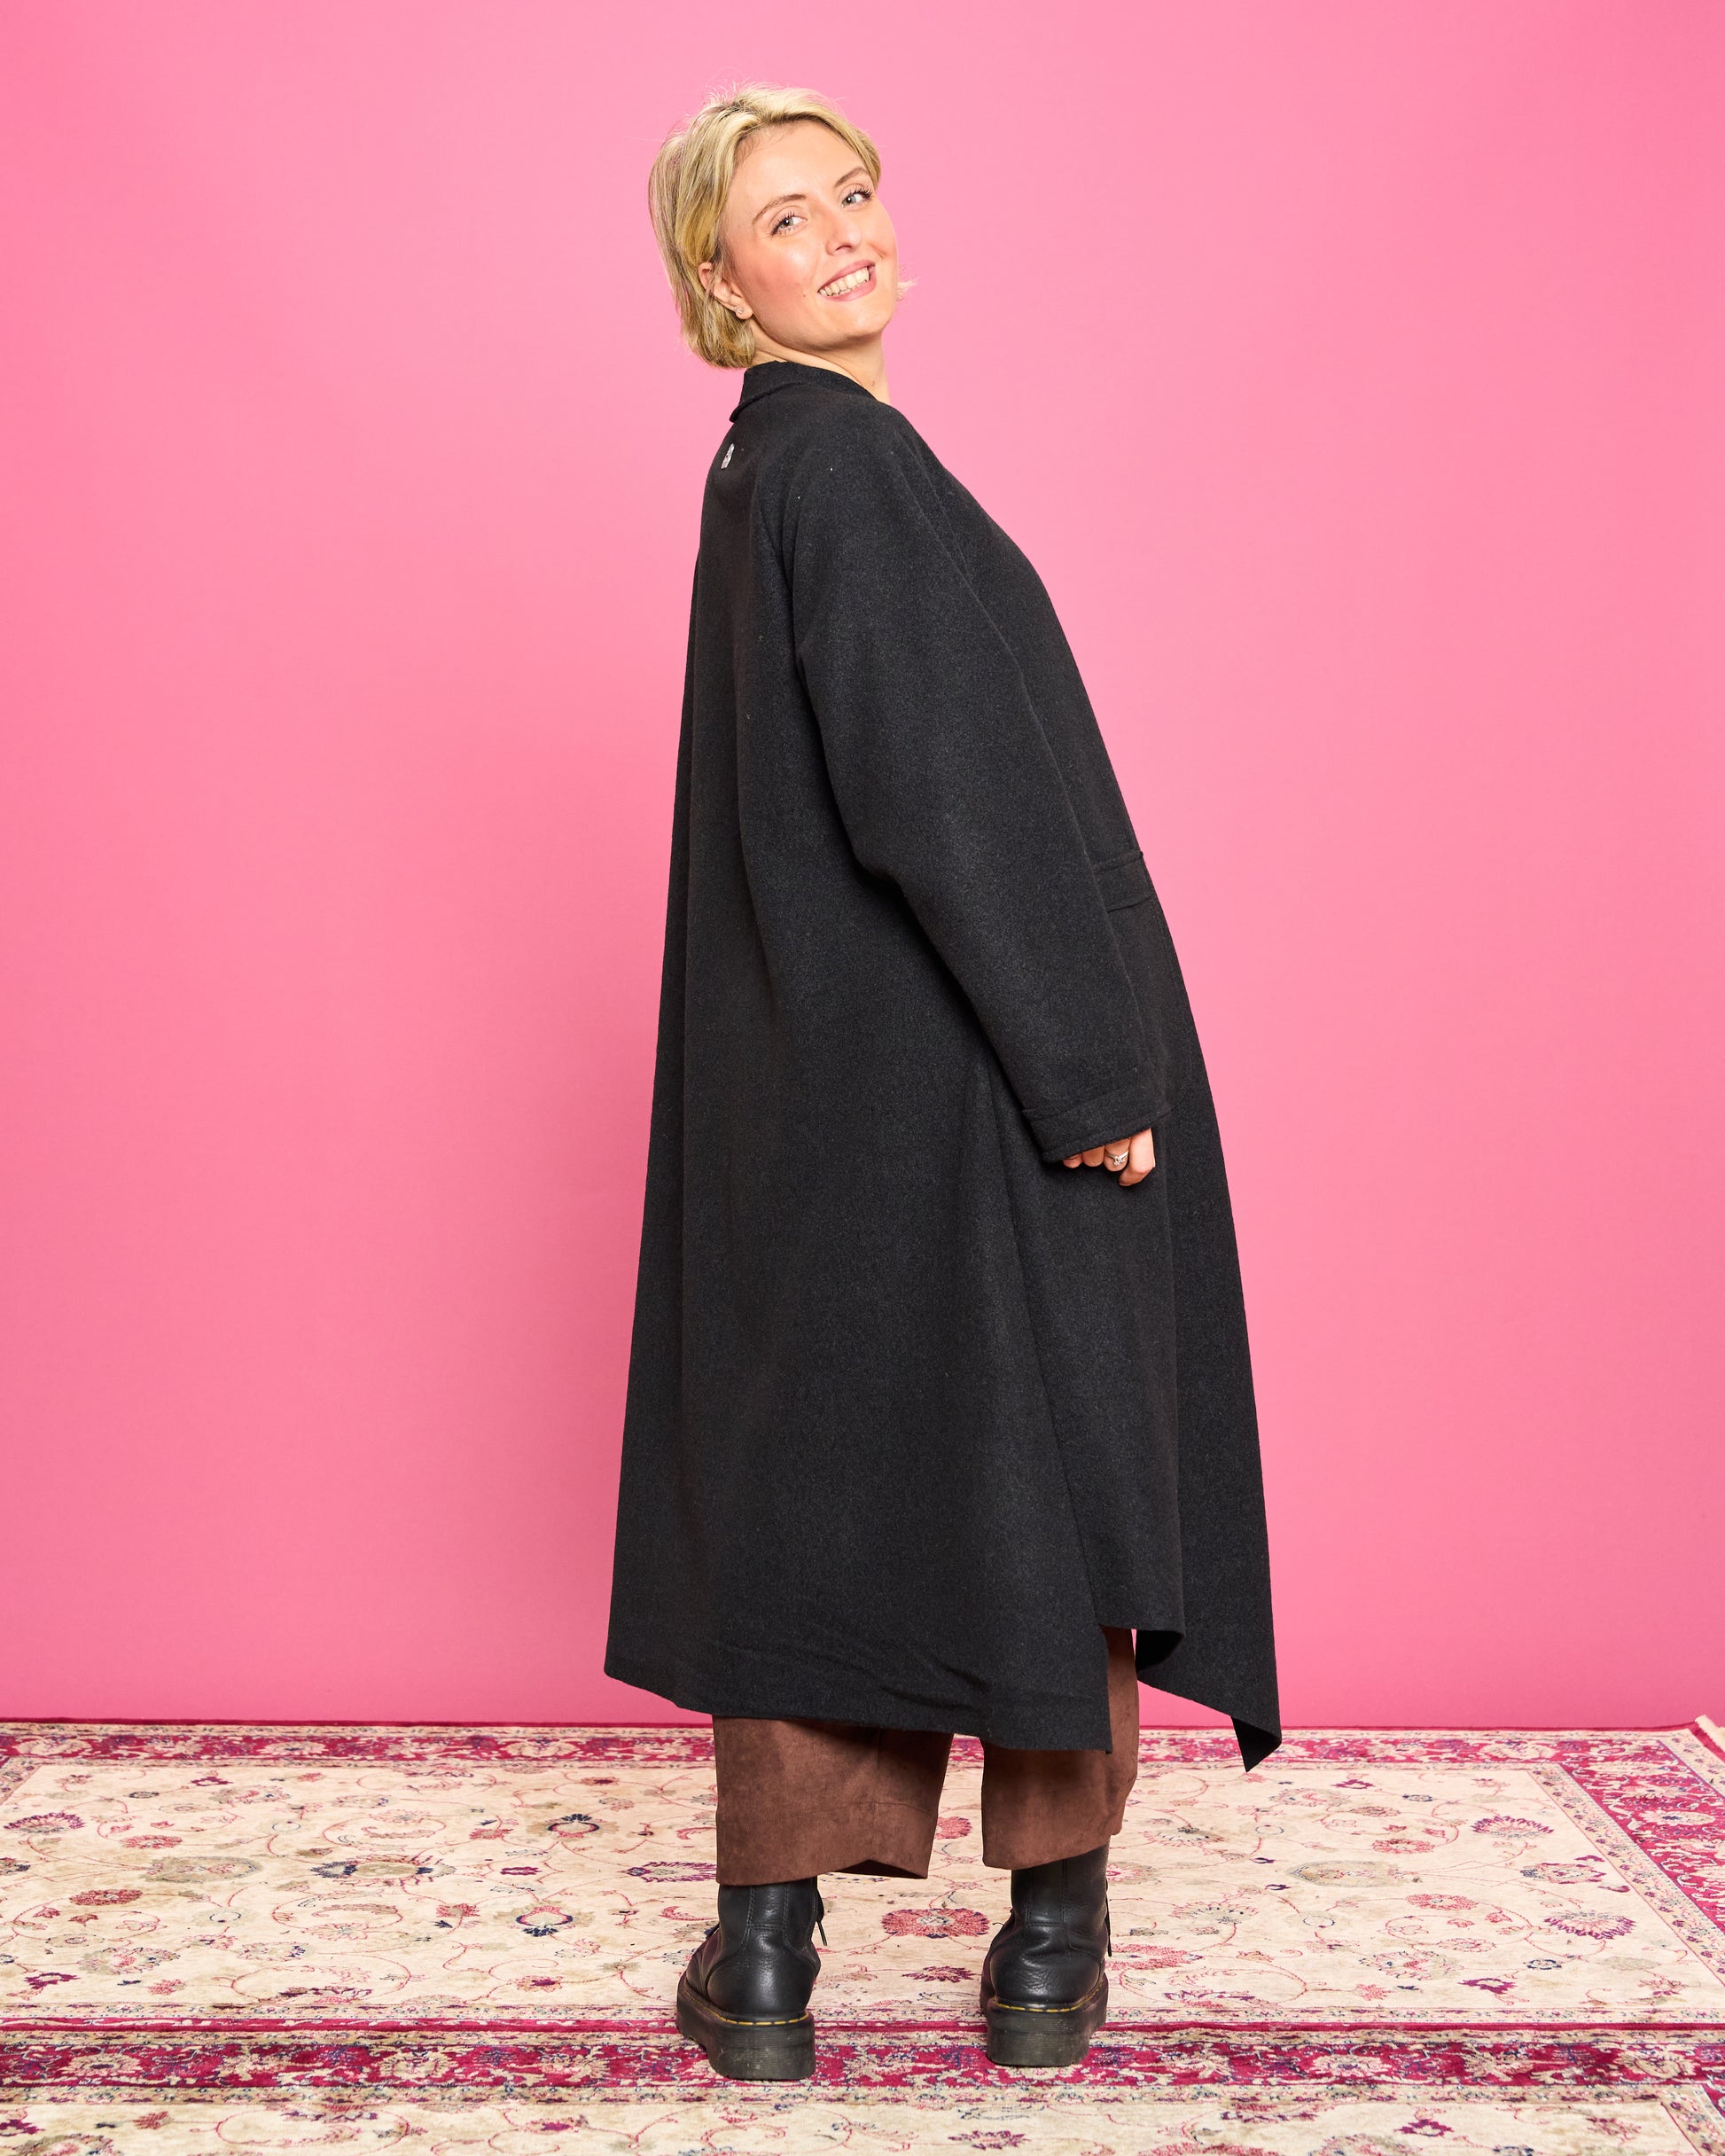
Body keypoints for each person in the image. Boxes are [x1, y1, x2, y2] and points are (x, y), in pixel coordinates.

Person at [606, 82, 1279, 2081]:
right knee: (1058, 1472)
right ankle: (1050, 1947)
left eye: (852, 194)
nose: (841, 236)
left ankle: (764, 1965)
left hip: (826, 1095)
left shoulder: (767, 468)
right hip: (975, 1081)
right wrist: (1084, 1065)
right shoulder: (853, 471)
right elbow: (946, 797)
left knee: (820, 1485)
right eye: (784, 219)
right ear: (719, 279)